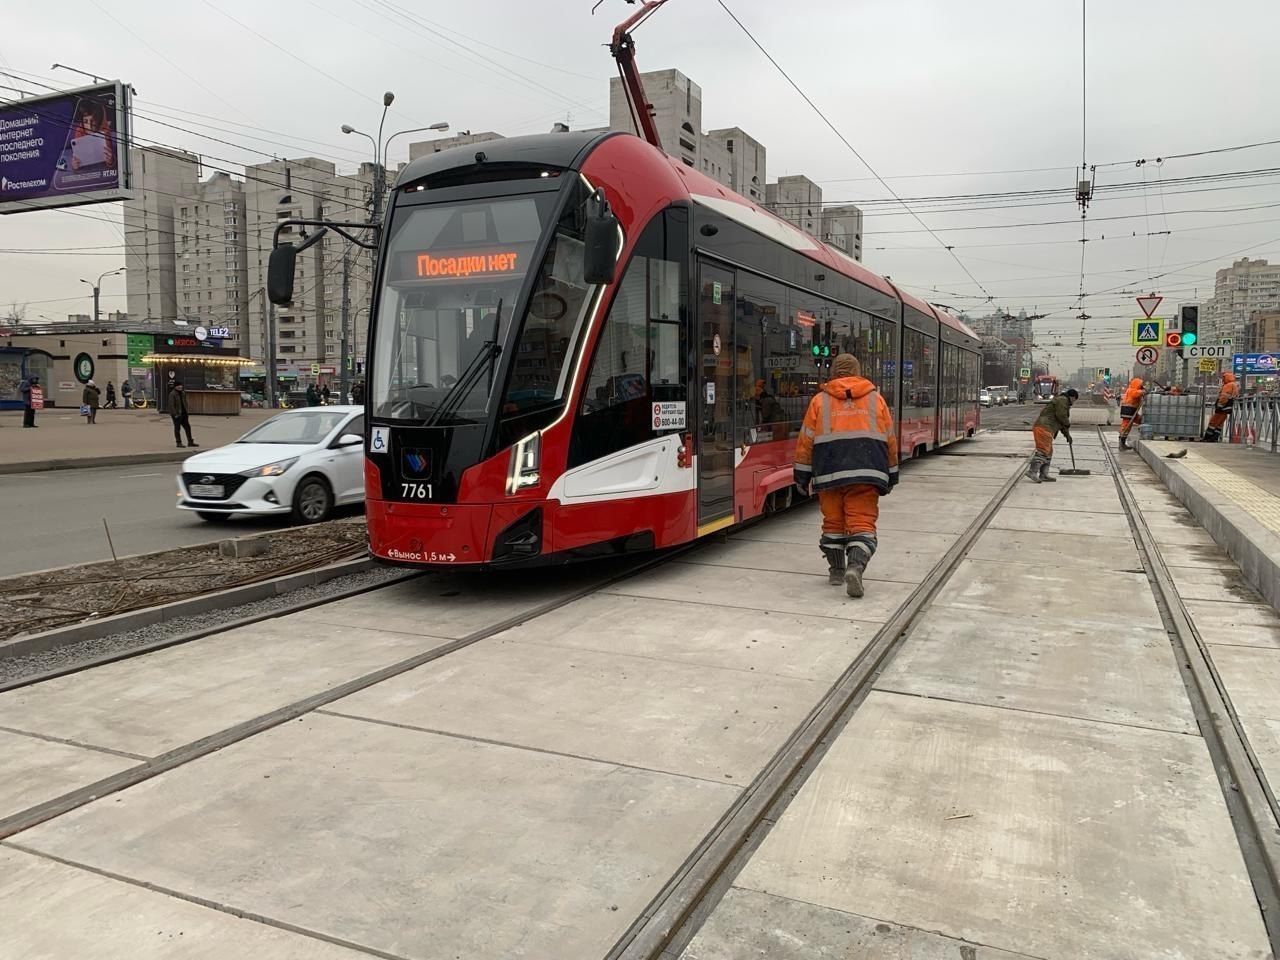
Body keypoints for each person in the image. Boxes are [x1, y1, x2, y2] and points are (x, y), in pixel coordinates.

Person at [794, 353, 898, 598]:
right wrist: (891, 474)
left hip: (828, 472)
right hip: (867, 471)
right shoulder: (876, 400)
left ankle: (836, 571)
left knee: (833, 523)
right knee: (862, 522)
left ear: (834, 374)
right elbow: (890, 440)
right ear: (858, 371)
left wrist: (802, 474)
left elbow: (805, 441)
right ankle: (856, 567)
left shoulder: (820, 401)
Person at [1028, 387, 1078, 483]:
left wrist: (1067, 435)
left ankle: (1043, 474)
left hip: (1047, 428)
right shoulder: (1063, 400)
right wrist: (1067, 423)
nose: (1074, 403)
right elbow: (1061, 416)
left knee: (1049, 452)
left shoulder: (1062, 401)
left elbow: (1061, 423)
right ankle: (1032, 472)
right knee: (1043, 451)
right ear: (1072, 397)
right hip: (1044, 427)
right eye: (1075, 400)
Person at [1203, 371, 1240, 442]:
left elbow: (1224, 397)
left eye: (1224, 377)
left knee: (1213, 423)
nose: (1223, 379)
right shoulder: (1234, 385)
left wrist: (1219, 406)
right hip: (1226, 408)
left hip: (1222, 408)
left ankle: (1208, 438)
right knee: (1219, 424)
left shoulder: (1228, 385)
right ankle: (1214, 438)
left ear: (1227, 378)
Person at [1118, 377, 1147, 450]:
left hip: (1132, 411)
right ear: (1136, 384)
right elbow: (1135, 394)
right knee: (1126, 426)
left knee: (1141, 420)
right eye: (1140, 385)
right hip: (1128, 411)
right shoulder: (1131, 390)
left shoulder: (1133, 389)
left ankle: (1145, 432)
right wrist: (1142, 392)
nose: (1141, 386)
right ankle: (1122, 442)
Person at [168, 382, 198, 448]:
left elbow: (185, 403)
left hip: (184, 413)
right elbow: (171, 405)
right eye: (178, 386)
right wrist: (175, 414)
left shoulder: (183, 393)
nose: (180, 387)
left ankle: (190, 442)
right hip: (177, 414)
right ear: (175, 387)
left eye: (181, 385)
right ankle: (178, 443)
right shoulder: (172, 394)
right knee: (177, 428)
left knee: (188, 428)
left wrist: (187, 411)